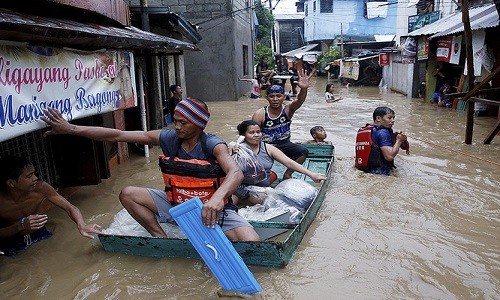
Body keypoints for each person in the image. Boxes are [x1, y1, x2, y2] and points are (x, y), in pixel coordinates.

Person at [41, 99, 260, 242]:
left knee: (253, 242)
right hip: (176, 204)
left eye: (184, 123)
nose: (177, 127)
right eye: (175, 121)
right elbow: (118, 135)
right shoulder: (168, 138)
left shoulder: (213, 144)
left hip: (212, 209)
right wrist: (71, 128)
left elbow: (235, 173)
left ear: (198, 124)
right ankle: (161, 237)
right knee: (128, 193)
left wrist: (218, 198)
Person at [0, 156, 102, 255]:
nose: (35, 178)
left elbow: (70, 207)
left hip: (40, 233)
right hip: (12, 241)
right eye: (29, 176)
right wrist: (21, 226)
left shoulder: (41, 188)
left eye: (34, 173)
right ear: (11, 183)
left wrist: (82, 225)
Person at [231, 120, 326, 206]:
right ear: (243, 135)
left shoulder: (268, 148)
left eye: (258, 132)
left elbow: (289, 162)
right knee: (231, 203)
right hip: (240, 189)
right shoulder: (237, 149)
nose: (256, 135)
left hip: (262, 190)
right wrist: (231, 153)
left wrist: (311, 174)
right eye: (251, 132)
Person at [252, 68, 312, 180]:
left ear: (283, 97)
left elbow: (299, 101)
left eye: (278, 96)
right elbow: (251, 134)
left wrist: (303, 89)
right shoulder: (260, 114)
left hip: (284, 143)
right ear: (267, 98)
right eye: (272, 96)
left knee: (303, 152)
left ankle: (287, 174)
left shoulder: (288, 109)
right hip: (266, 146)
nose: (275, 99)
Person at [364, 107, 408, 176]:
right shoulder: (383, 133)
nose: (393, 120)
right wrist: (399, 140)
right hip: (380, 173)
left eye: (393, 118)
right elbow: (389, 156)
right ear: (378, 118)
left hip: (366, 169)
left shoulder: (370, 129)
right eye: (389, 118)